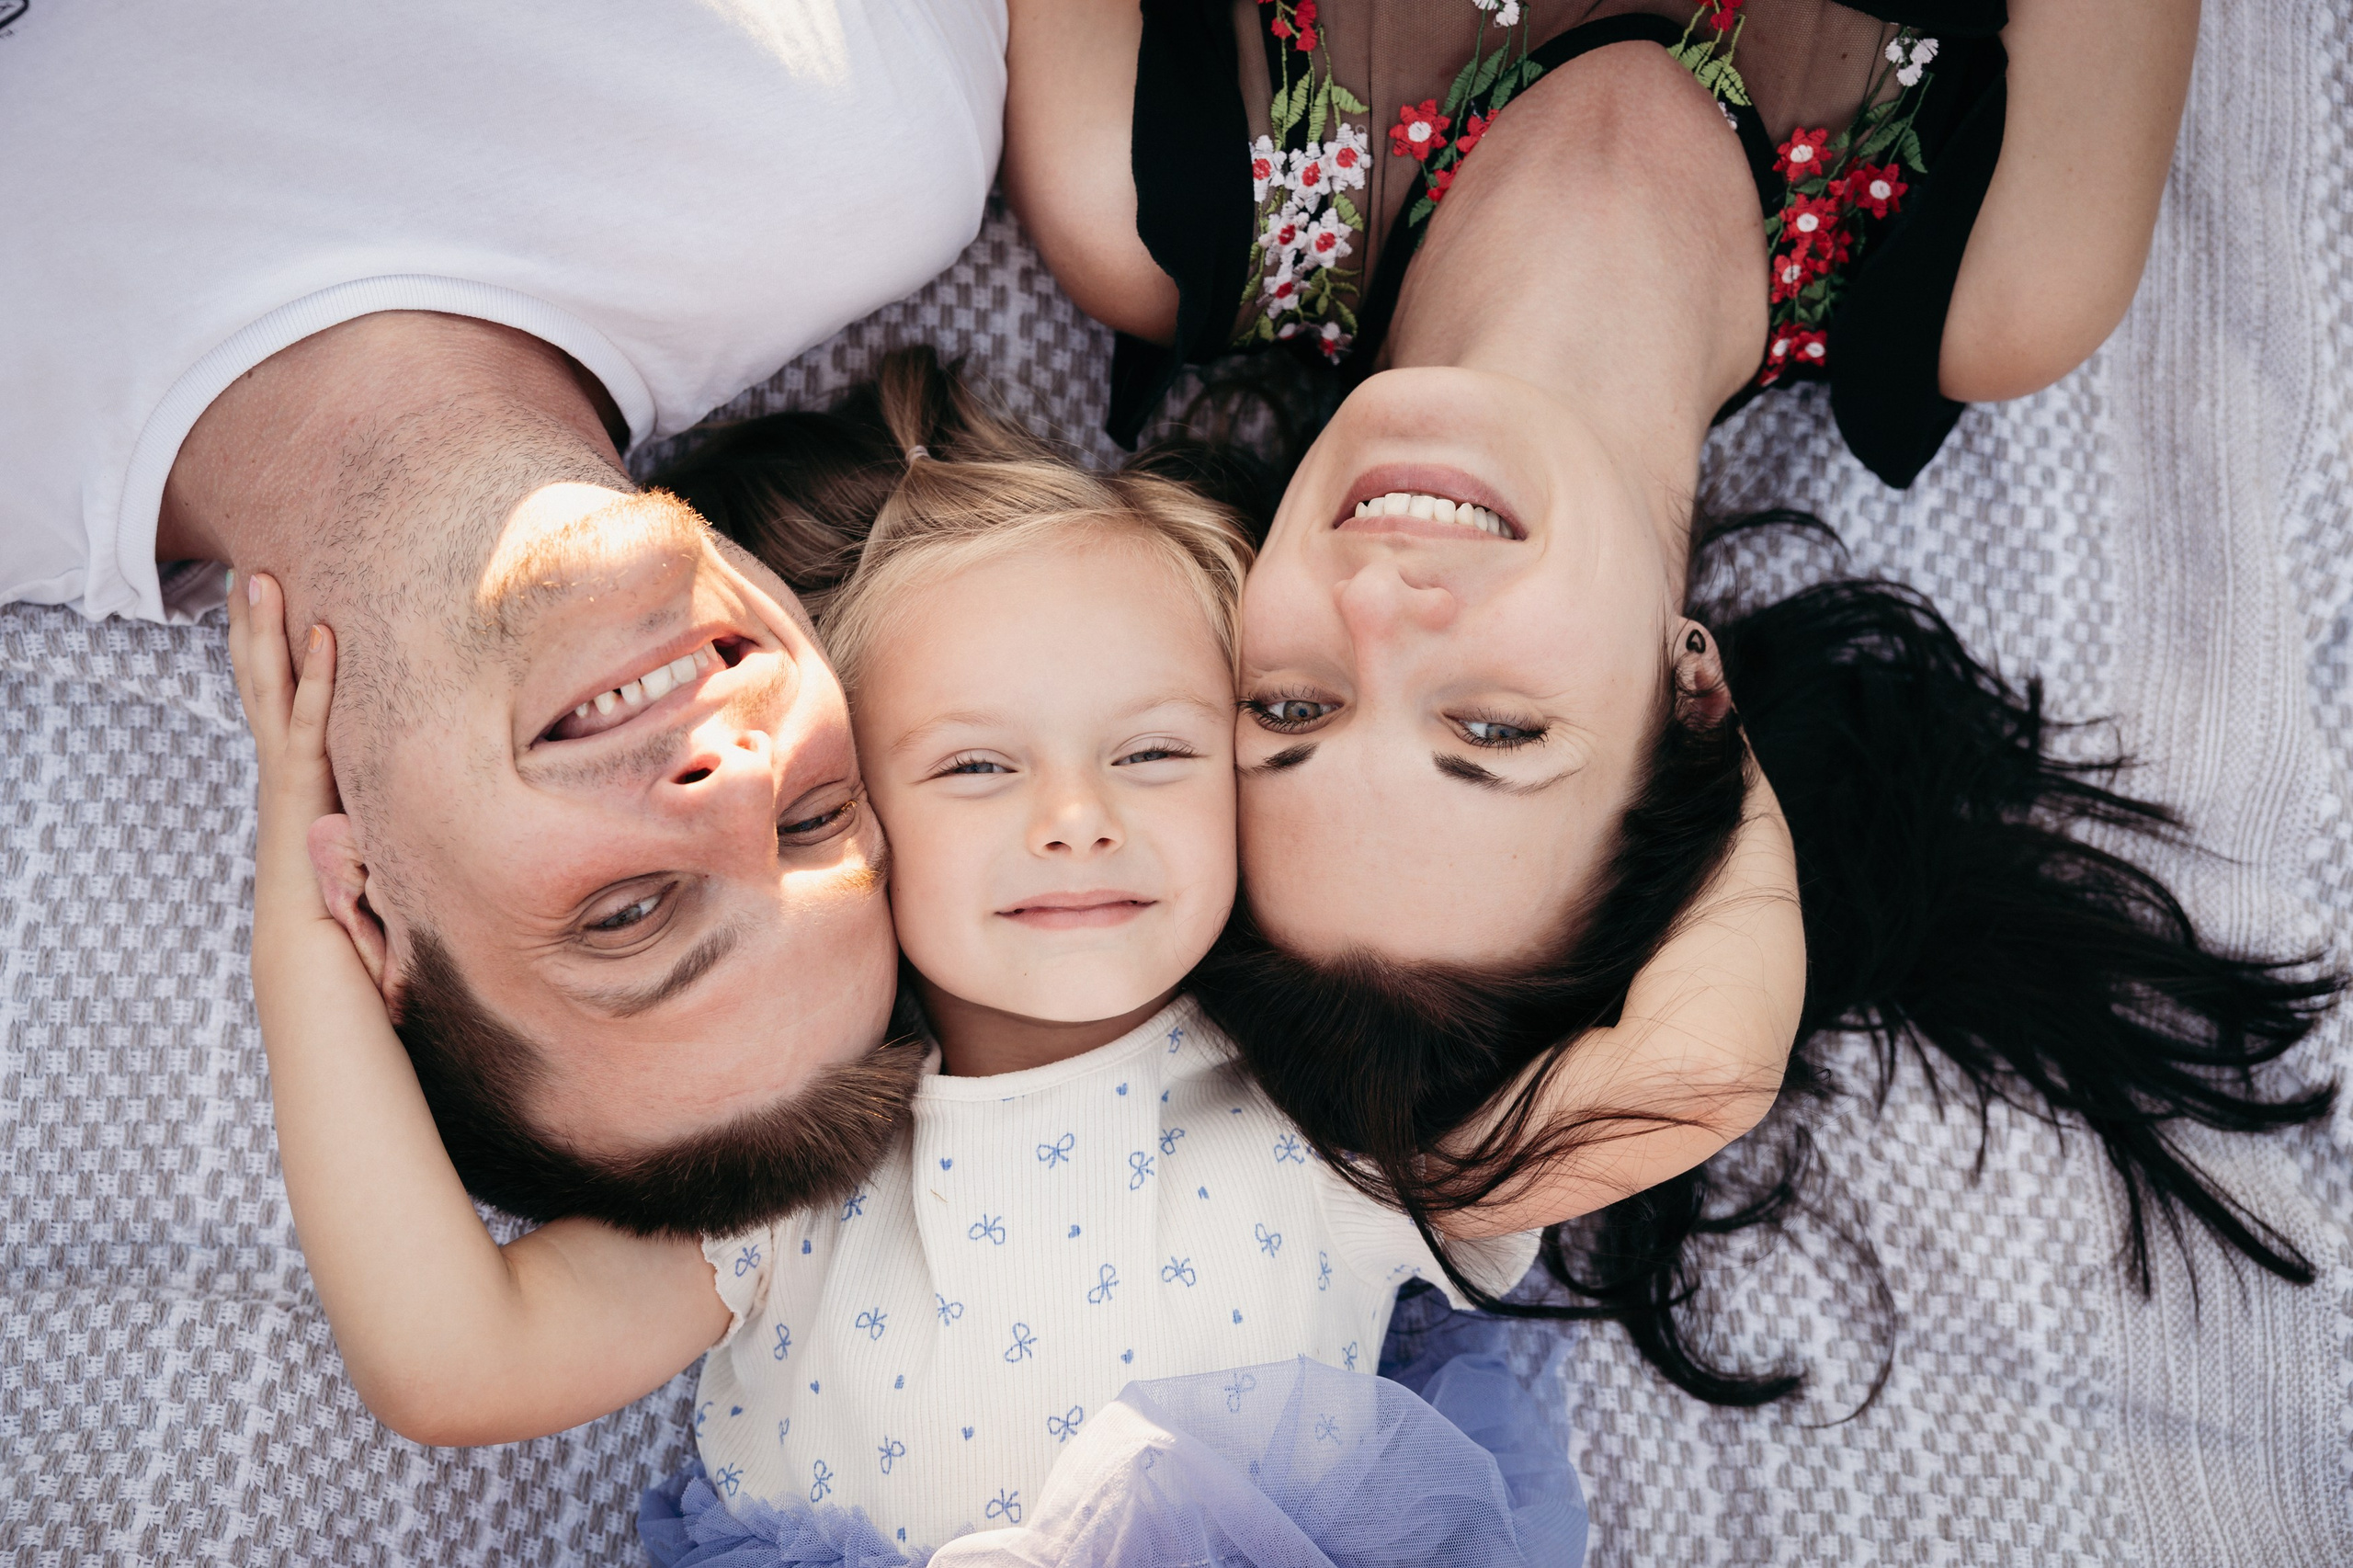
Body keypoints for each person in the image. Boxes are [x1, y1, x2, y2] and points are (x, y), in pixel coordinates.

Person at [224, 353, 1796, 1563]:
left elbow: (1707, 1070)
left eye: (1158, 754)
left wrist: (1690, 697)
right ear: (848, 811)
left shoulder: (1335, 1136)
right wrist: (306, 928)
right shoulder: (795, 1187)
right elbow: (451, 1359)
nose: (1074, 821)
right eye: (976, 770)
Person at [1005, 0, 2342, 1398]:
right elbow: (1690, 1077)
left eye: (1290, 709)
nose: (1381, 607)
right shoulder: (2008, 266)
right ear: (1694, 696)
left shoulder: (1149, 184)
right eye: (1492, 730)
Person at [0, 1, 1006, 1227]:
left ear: (364, 911)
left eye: (629, 913)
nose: (739, 786)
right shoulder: (862, 151)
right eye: (815, 817)